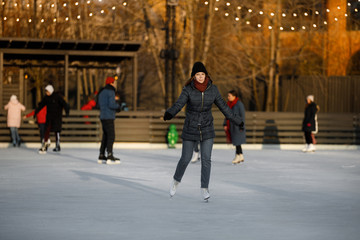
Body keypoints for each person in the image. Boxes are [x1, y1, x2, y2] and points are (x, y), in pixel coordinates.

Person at [163, 62, 244, 201]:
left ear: (206, 75)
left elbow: (224, 107)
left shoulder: (213, 90)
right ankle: (176, 181)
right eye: (197, 75)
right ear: (194, 76)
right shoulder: (188, 89)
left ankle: (204, 188)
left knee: (206, 160)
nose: (200, 77)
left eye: (202, 74)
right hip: (190, 127)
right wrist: (169, 113)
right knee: (185, 158)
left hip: (207, 128)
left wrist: (237, 120)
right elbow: (179, 104)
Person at [35, 85, 69, 153]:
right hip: (49, 117)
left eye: (47, 91)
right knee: (47, 130)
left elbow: (64, 104)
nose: (46, 93)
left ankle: (57, 145)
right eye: (46, 91)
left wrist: (67, 111)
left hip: (57, 117)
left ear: (51, 91)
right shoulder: (46, 98)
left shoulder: (57, 97)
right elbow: (41, 105)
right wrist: (36, 112)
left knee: (57, 131)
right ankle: (45, 144)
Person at [97, 77, 121, 164]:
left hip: (103, 116)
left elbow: (99, 104)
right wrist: (118, 106)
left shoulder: (102, 92)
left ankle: (101, 154)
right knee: (111, 136)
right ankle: (109, 155)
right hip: (109, 117)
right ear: (111, 83)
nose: (115, 84)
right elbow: (111, 104)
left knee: (105, 136)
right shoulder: (111, 92)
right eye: (114, 82)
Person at [223, 90, 246, 164]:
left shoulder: (239, 104)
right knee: (236, 142)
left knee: (237, 142)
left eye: (229, 96)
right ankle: (240, 155)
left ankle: (238, 155)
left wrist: (241, 125)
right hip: (231, 126)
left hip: (238, 126)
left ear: (234, 96)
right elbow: (226, 115)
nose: (228, 97)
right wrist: (225, 124)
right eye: (228, 96)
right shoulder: (229, 104)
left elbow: (242, 116)